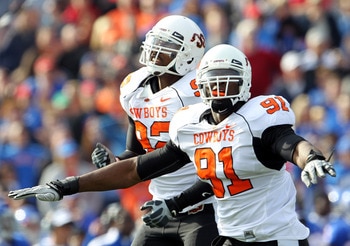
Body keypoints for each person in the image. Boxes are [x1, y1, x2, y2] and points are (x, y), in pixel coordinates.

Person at [8, 44, 336, 246]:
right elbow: (138, 167)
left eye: (228, 82)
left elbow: (290, 144)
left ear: (246, 84)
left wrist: (312, 159)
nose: (220, 90)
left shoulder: (258, 119)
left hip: (276, 239)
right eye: (213, 82)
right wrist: (66, 185)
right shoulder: (191, 125)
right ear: (200, 85)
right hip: (230, 238)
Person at [78, 14, 219, 245]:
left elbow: (219, 162)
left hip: (203, 208)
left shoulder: (199, 94)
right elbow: (135, 152)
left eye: (166, 45)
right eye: (156, 41)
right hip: (160, 206)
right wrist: (116, 162)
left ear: (187, 55)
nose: (155, 48)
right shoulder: (137, 88)